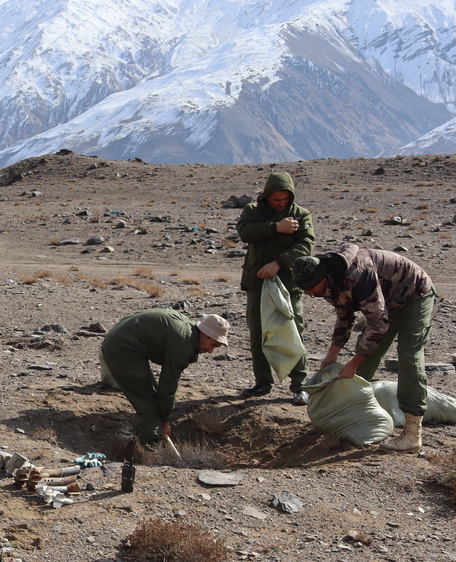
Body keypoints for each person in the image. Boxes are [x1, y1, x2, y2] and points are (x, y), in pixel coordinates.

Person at [292, 246, 435, 452]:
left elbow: (378, 324)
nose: (310, 293)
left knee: (409, 357)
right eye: (306, 290)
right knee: (365, 354)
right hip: (386, 300)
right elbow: (345, 313)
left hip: (413, 293)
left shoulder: (358, 275)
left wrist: (353, 363)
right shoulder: (326, 280)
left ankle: (412, 433)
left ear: (323, 277)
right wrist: (333, 352)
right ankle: (351, 418)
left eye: (312, 288)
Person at [237, 172, 315, 404]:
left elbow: (306, 245)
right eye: (276, 200)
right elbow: (244, 232)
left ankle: (299, 385)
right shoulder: (252, 211)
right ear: (267, 197)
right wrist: (275, 228)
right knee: (258, 333)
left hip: (288, 284)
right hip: (257, 283)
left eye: (285, 199)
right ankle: (262, 383)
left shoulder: (300, 214)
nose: (282, 204)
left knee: (293, 331)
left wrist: (278, 263)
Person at [100, 309, 230, 448]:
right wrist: (165, 421)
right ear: (204, 333)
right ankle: (149, 448)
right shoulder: (183, 343)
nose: (211, 351)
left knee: (151, 397)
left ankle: (141, 436)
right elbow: (168, 385)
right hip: (122, 347)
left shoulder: (189, 331)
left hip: (124, 340)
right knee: (148, 401)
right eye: (213, 345)